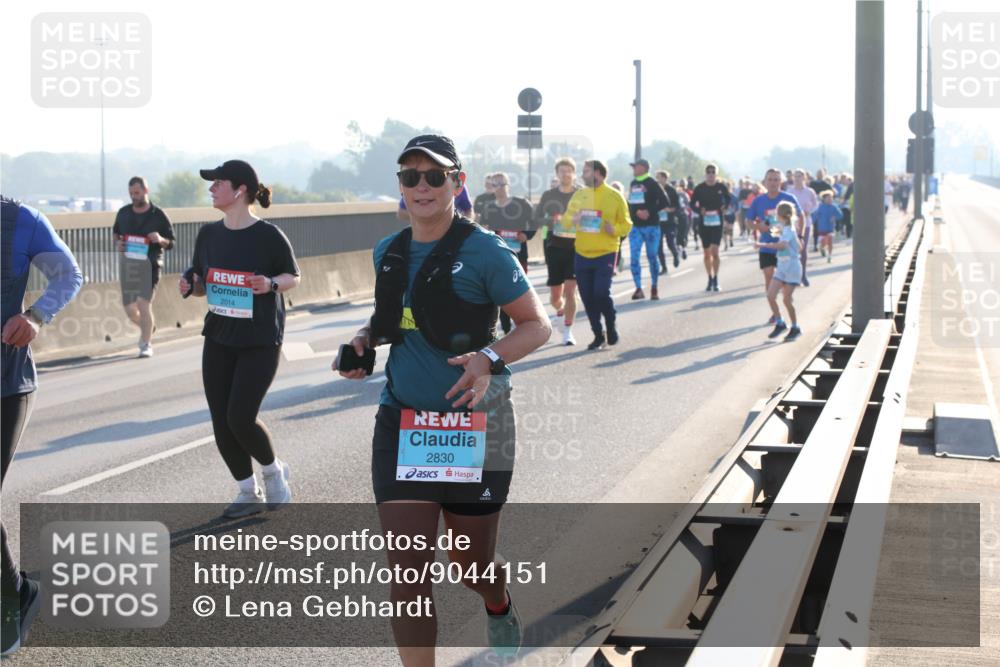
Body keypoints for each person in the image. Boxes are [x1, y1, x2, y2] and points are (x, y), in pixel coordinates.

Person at [335, 134, 550, 665]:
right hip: (404, 422)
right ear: (401, 186)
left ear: (458, 182)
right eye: (411, 177)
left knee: (471, 563)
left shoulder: (485, 251)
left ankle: (497, 600)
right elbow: (394, 318)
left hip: (475, 424)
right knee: (408, 573)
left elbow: (536, 325)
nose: (423, 186)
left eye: (435, 176)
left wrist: (488, 358)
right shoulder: (388, 252)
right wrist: (364, 339)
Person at [180, 160, 300, 519]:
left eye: (218, 182)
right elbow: (202, 284)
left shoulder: (268, 235)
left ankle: (273, 471)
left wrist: (271, 284)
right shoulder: (208, 235)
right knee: (221, 420)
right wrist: (191, 285)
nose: (211, 188)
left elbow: (293, 276)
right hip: (219, 337)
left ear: (240, 189)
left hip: (260, 339)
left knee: (240, 417)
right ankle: (248, 491)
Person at [1, 196, 83, 656]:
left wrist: (35, 315)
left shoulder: (21, 220)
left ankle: (16, 597)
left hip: (6, 384)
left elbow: (68, 274)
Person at [563, 161, 633, 350]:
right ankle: (598, 334)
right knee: (587, 297)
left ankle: (610, 324)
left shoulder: (614, 196)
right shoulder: (579, 195)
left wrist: (614, 229)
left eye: (586, 171)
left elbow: (627, 224)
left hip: (606, 252)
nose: (582, 174)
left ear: (598, 173)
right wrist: (574, 218)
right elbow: (566, 222)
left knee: (601, 293)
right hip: (582, 253)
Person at [112, 176, 175, 358]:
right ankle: (148, 327)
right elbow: (116, 234)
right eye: (131, 193)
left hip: (151, 266)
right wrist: (118, 244)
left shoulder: (158, 215)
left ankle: (145, 344)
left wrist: (160, 239)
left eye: (137, 193)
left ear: (146, 190)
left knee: (143, 304)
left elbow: (171, 243)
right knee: (130, 310)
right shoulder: (123, 213)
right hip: (129, 267)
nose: (134, 196)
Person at [480, 173, 536, 334]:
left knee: (518, 290)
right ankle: (506, 330)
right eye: (495, 184)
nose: (499, 187)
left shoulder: (522, 203)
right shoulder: (489, 207)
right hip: (497, 256)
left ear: (508, 184)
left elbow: (535, 221)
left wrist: (526, 235)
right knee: (501, 291)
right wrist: (486, 231)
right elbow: (483, 227)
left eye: (502, 183)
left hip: (518, 254)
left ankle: (524, 324)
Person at [747, 168, 802, 324]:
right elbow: (749, 221)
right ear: (765, 182)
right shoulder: (758, 201)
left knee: (784, 280)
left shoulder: (788, 198)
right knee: (769, 275)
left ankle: (787, 302)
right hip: (767, 245)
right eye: (770, 179)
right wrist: (759, 227)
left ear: (781, 182)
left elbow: (800, 216)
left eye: (776, 179)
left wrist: (800, 235)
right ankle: (775, 312)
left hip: (785, 247)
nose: (773, 183)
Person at [535, 158, 580, 345]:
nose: (566, 174)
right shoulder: (549, 195)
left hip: (576, 248)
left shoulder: (582, 194)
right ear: (557, 174)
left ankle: (568, 331)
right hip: (554, 247)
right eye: (562, 171)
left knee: (571, 292)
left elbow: (593, 216)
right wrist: (552, 221)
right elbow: (537, 218)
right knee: (555, 297)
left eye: (569, 170)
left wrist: (580, 220)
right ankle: (560, 311)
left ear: (574, 173)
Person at [755, 201, 802, 340]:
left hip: (792, 268)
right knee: (770, 295)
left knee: (787, 300)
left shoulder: (790, 229)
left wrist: (763, 245)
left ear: (781, 215)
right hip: (782, 267)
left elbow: (782, 246)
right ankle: (780, 323)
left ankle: (795, 327)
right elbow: (798, 246)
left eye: (776, 213)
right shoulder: (785, 228)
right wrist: (767, 226)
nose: (775, 215)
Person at [625, 159, 670, 300]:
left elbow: (665, 202)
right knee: (634, 258)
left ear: (643, 168)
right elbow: (632, 203)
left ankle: (654, 287)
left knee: (652, 257)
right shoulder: (633, 183)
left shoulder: (653, 183)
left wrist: (649, 211)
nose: (633, 169)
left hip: (652, 227)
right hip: (636, 227)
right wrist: (636, 212)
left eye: (635, 167)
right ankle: (638, 288)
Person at [689, 164, 731, 291]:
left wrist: (725, 207)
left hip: (717, 222)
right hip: (704, 222)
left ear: (716, 174)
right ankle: (709, 278)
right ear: (705, 174)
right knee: (707, 254)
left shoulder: (721, 187)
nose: (711, 174)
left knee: (715, 252)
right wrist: (699, 210)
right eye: (708, 172)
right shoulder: (699, 188)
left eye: (713, 172)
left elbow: (728, 199)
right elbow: (692, 203)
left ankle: (716, 279)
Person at [785, 169, 818, 287]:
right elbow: (784, 206)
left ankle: (803, 275)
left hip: (806, 224)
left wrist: (809, 211)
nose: (797, 179)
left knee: (802, 250)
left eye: (799, 176)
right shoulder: (789, 191)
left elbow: (815, 205)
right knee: (792, 251)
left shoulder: (810, 192)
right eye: (795, 176)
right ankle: (793, 276)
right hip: (792, 224)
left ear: (804, 178)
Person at [398, 182, 473, 221]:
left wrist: (463, 225)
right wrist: (423, 218)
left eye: (436, 176)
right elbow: (401, 212)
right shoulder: (415, 188)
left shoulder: (459, 187)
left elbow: (469, 211)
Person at [654, 170, 681, 272]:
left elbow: (677, 206)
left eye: (659, 177)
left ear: (665, 178)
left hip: (670, 221)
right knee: (658, 246)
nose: (657, 180)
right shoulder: (654, 190)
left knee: (670, 242)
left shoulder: (671, 190)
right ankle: (664, 267)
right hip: (658, 221)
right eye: (656, 177)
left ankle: (675, 254)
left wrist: (669, 210)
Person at [814, 190, 843, 262]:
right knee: (824, 242)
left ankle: (829, 256)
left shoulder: (834, 206)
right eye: (828, 198)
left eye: (831, 198)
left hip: (830, 228)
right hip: (822, 228)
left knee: (830, 241)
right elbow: (815, 216)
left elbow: (840, 215)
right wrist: (812, 221)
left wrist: (835, 217)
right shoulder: (820, 207)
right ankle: (822, 248)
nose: (830, 199)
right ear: (824, 199)